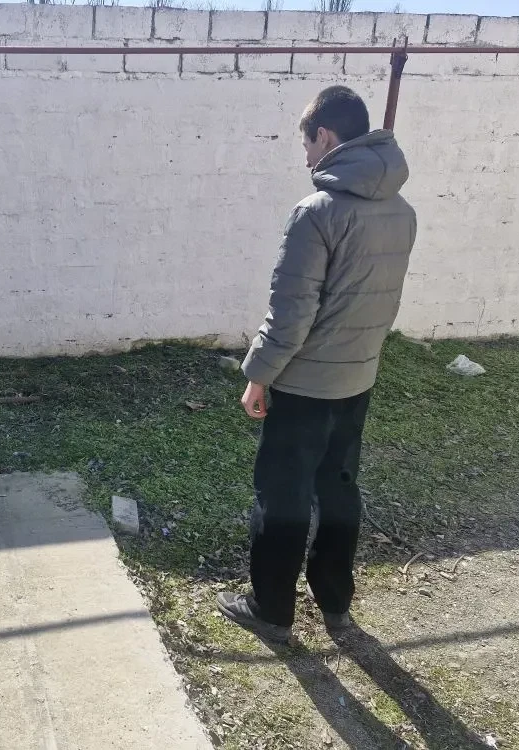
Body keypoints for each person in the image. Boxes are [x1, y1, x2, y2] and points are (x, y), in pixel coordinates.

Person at [217, 86, 417, 643]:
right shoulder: (402, 212)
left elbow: (291, 311)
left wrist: (258, 376)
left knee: (282, 493)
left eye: (306, 144)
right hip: (358, 377)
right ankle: (334, 602)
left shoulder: (316, 212)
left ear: (325, 136)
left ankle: (271, 609)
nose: (306, 157)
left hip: (305, 384)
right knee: (338, 488)